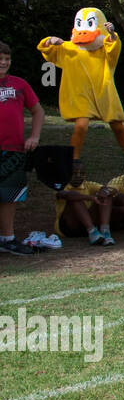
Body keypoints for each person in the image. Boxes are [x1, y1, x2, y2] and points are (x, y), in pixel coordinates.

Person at [0, 41, 44, 255]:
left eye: (7, 59)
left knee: (10, 195)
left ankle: (7, 239)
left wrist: (34, 136)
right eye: (0, 59)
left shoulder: (19, 84)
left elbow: (38, 111)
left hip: (14, 150)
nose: (4, 63)